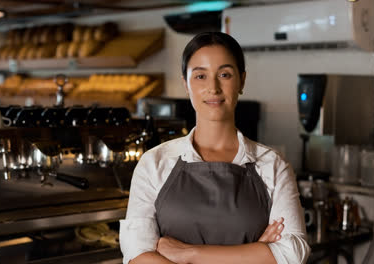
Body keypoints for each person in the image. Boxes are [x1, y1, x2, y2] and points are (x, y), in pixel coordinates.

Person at [120, 32, 310, 264]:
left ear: (242, 80)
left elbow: (293, 252)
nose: (213, 87)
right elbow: (137, 254)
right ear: (185, 83)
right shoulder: (154, 162)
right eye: (200, 76)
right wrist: (256, 252)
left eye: (225, 74)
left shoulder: (272, 165)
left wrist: (188, 253)